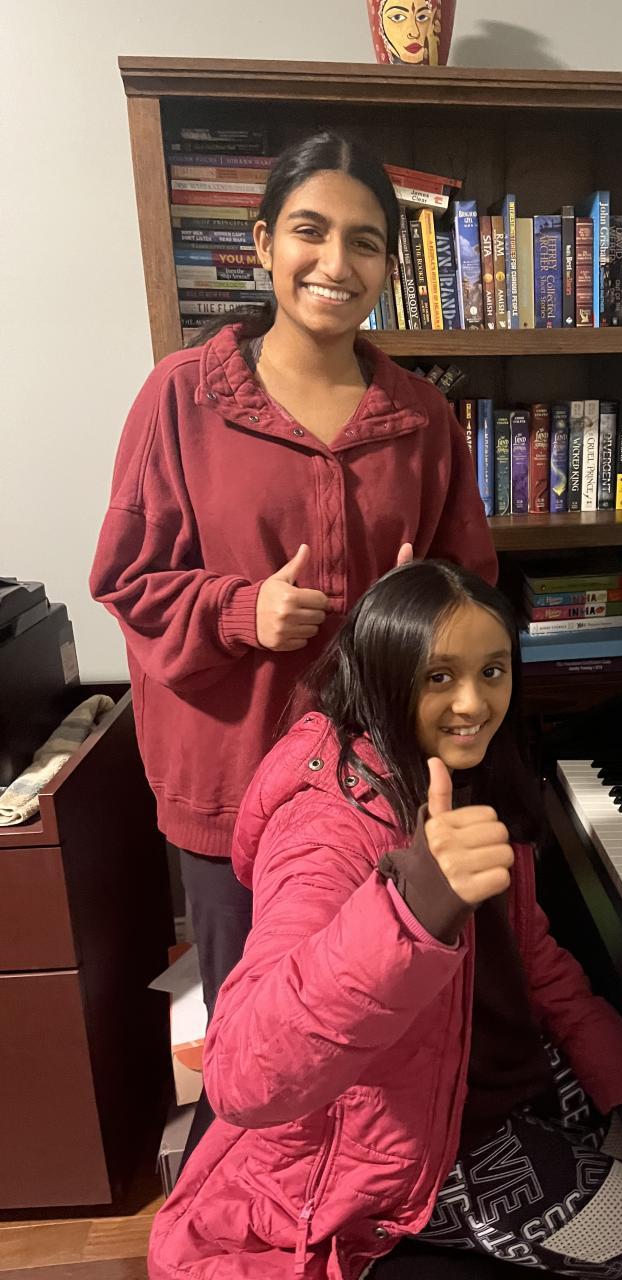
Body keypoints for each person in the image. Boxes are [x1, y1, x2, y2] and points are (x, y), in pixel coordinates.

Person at [147, 561, 622, 1280]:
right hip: (413, 1148)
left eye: (493, 671)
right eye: (439, 676)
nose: (473, 703)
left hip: (485, 1081)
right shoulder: (324, 827)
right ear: (383, 678)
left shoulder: (468, 773)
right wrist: (410, 911)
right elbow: (243, 1074)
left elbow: (531, 955)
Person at [90, 133, 496, 1038]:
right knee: (256, 1037)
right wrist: (242, 610)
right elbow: (127, 578)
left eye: (365, 241)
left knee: (376, 1024)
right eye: (311, 231)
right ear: (265, 242)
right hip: (232, 779)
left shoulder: (424, 417)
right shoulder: (181, 397)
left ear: (388, 265)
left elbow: (473, 588)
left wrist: (423, 606)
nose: (335, 263)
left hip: (381, 778)